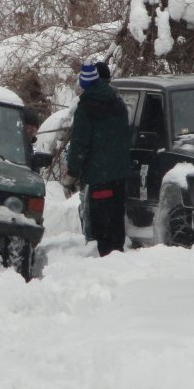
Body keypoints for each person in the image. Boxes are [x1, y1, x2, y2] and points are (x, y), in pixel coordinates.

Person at [64, 61, 131, 256]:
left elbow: (80, 143)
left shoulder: (86, 107)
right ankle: (117, 254)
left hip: (98, 175)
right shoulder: (118, 103)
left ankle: (105, 258)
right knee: (116, 218)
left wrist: (73, 171)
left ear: (84, 84)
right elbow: (124, 135)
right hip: (120, 173)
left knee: (101, 221)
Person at [23, 106, 42, 171]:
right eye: (27, 127)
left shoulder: (31, 148)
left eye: (32, 128)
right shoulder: (14, 144)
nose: (29, 131)